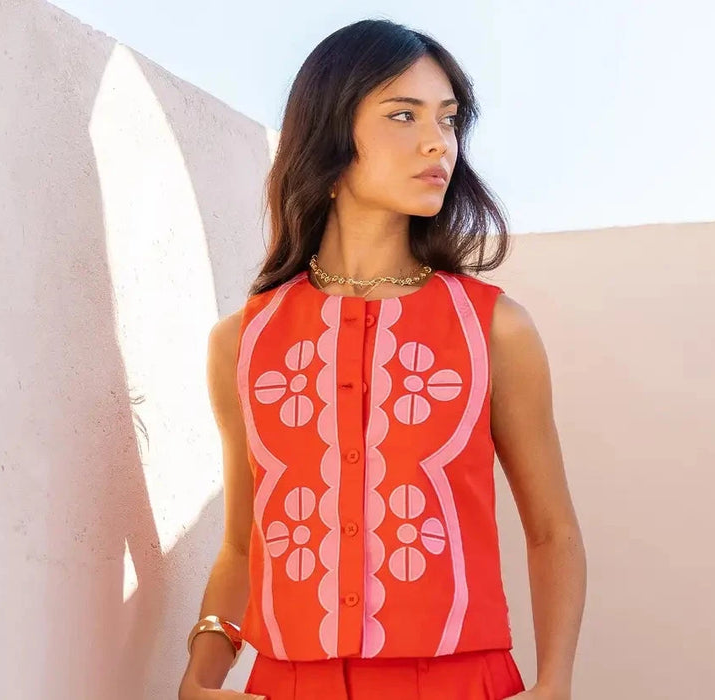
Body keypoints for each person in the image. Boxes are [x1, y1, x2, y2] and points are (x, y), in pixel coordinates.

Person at [179, 18, 585, 700]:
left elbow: (553, 531)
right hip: (288, 686)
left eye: (448, 120)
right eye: (404, 115)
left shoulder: (494, 330)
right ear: (330, 134)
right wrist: (199, 677)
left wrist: (556, 685)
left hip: (459, 684)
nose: (438, 142)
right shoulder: (242, 342)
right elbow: (243, 546)